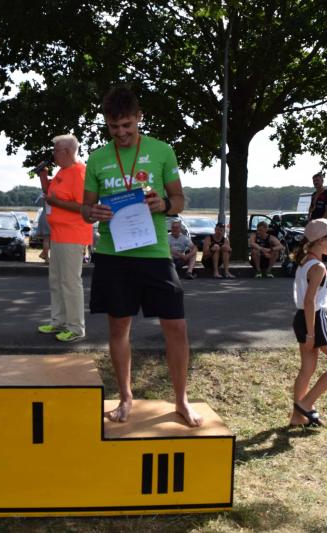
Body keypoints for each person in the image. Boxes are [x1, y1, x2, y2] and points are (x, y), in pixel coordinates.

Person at [82, 86, 202, 427]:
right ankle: (125, 397)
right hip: (113, 254)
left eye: (127, 126)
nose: (121, 133)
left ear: (139, 118)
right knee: (119, 326)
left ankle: (181, 400)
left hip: (154, 253)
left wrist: (164, 204)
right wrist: (93, 212)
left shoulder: (162, 151)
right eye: (113, 127)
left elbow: (179, 199)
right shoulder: (97, 158)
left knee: (176, 326)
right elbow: (85, 209)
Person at [290, 218, 327, 426]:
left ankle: (297, 417)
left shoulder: (305, 261)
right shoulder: (318, 267)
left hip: (304, 318)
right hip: (313, 320)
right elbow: (310, 302)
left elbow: (314, 301)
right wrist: (311, 333)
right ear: (320, 240)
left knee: (307, 369)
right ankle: (306, 404)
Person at [36, 134, 92, 343]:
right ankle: (59, 321)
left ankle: (76, 328)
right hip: (59, 234)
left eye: (56, 151)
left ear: (67, 152)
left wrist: (55, 202)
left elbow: (84, 207)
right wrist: (43, 177)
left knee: (70, 282)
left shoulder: (79, 173)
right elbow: (51, 193)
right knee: (57, 281)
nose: (53, 154)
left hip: (73, 235)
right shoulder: (62, 171)